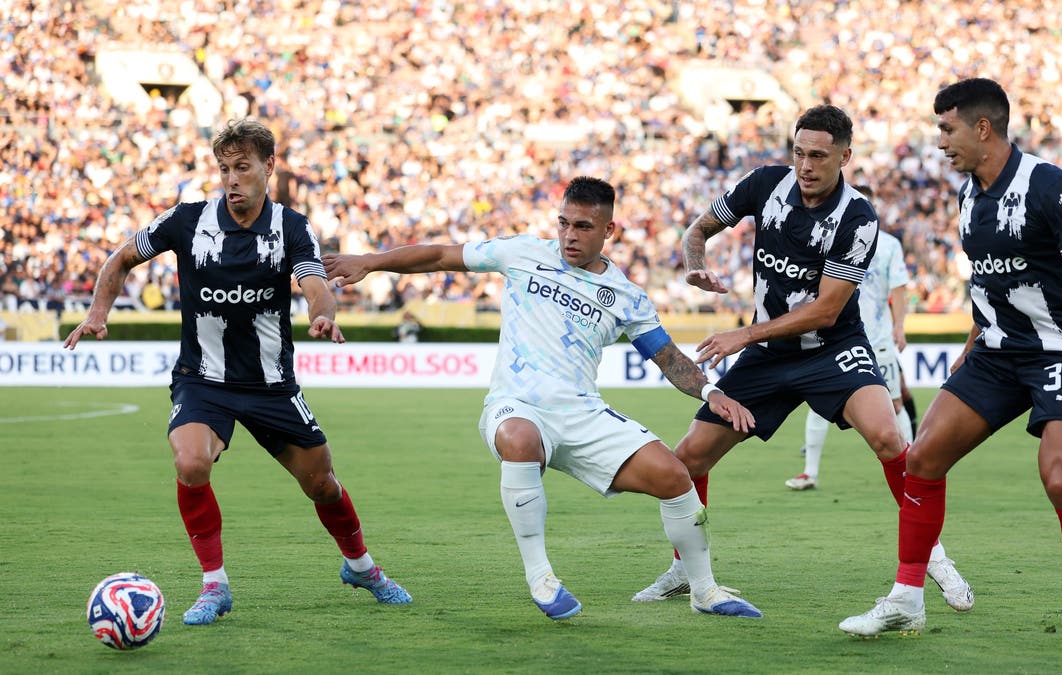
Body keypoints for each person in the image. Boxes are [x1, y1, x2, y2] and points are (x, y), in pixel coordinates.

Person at [323, 176, 763, 620]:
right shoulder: (523, 252)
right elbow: (440, 255)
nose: (570, 235)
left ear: (609, 230)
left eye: (584, 227)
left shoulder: (627, 296)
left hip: (582, 413)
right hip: (517, 404)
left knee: (674, 477)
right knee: (519, 439)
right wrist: (372, 261)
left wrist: (711, 392)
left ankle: (704, 591)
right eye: (564, 223)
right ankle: (542, 578)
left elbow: (668, 359)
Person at [839, 78, 1062, 658]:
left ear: (981, 128)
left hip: (1060, 351)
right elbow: (992, 281)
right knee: (922, 457)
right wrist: (970, 344)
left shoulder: (1050, 187)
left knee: (1061, 480)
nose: (940, 143)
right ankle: (907, 597)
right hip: (995, 353)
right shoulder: (969, 196)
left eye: (947, 129)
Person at [63, 118, 412, 625]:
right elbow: (118, 261)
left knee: (323, 485)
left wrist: (323, 314)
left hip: (272, 387)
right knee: (190, 462)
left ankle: (361, 566)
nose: (231, 178)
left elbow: (315, 283)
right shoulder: (185, 221)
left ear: (268, 168)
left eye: (242, 167)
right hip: (202, 380)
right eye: (224, 168)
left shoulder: (291, 228)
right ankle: (214, 586)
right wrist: (97, 313)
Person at [633, 106, 973, 612]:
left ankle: (932, 558)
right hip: (769, 356)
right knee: (689, 457)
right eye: (798, 153)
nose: (805, 165)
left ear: (845, 157)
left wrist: (744, 334)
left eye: (818, 155)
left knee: (887, 437)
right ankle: (685, 569)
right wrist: (695, 266)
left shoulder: (857, 217)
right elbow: (696, 231)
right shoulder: (764, 185)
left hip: (833, 349)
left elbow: (827, 309)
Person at [786, 185, 912, 491]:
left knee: (893, 403)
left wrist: (899, 325)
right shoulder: (830, 236)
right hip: (837, 337)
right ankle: (810, 472)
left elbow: (898, 287)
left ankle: (915, 463)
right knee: (818, 404)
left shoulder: (888, 244)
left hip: (877, 337)